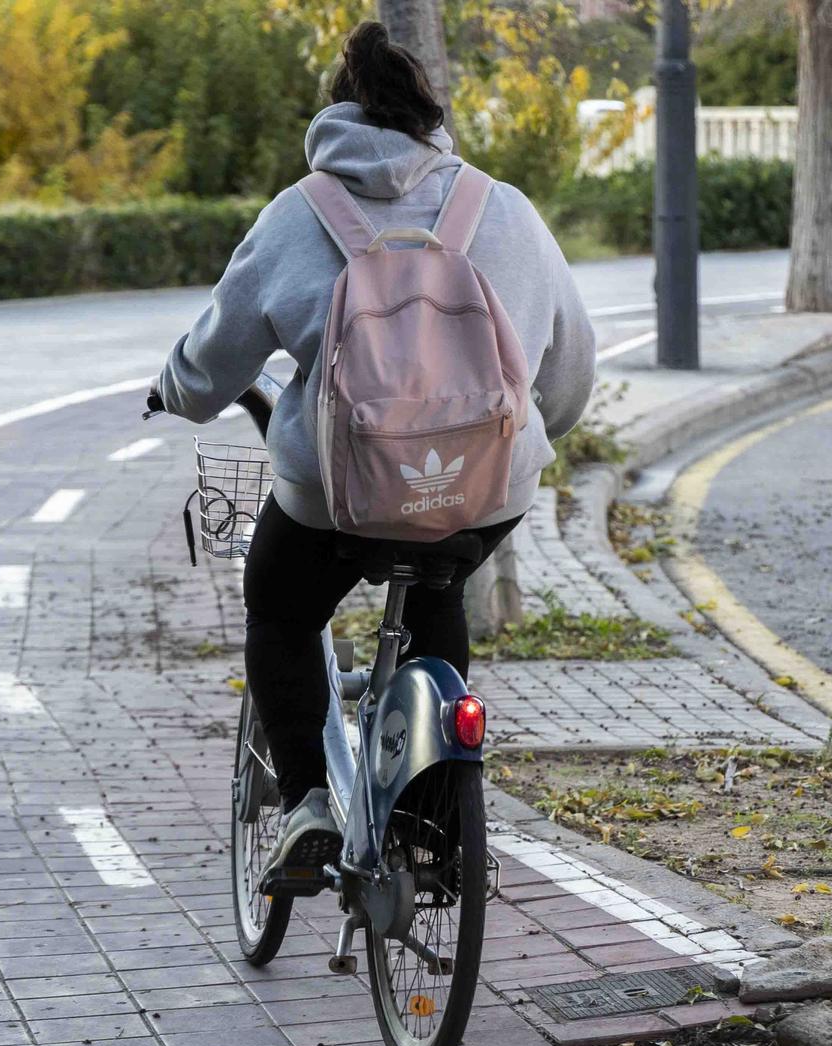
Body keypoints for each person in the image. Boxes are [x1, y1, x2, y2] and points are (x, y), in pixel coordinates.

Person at [154, 21, 596, 885]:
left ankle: (310, 802)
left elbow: (210, 365)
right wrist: (513, 445)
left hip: (335, 502)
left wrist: (173, 391)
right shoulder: (503, 209)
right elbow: (571, 375)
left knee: (280, 608)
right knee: (436, 590)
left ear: (337, 117)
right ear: (430, 117)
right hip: (480, 495)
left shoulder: (299, 214)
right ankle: (436, 820)